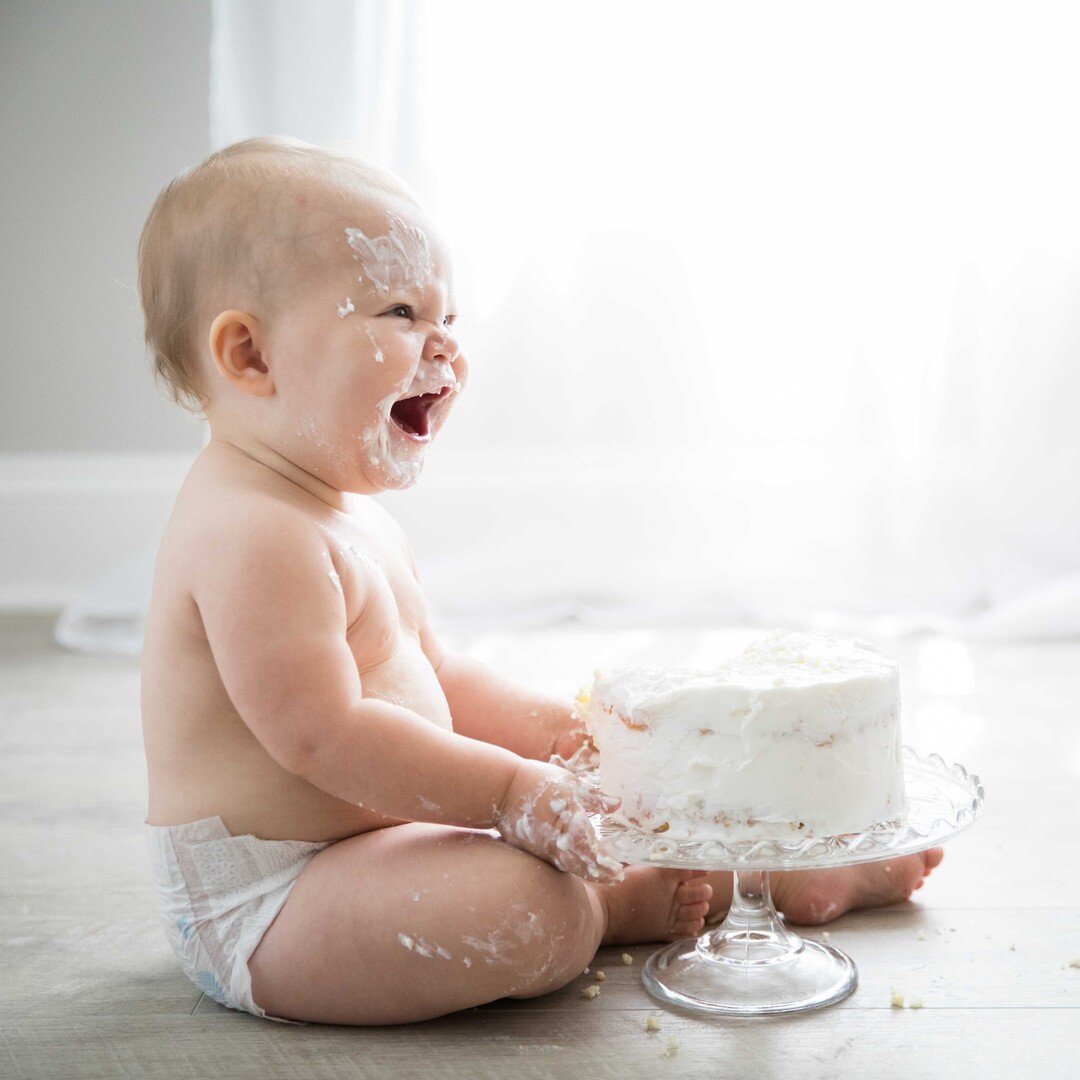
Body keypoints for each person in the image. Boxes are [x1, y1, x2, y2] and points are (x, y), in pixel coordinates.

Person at [139, 137, 942, 1025]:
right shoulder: (253, 535)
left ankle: (766, 872)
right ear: (250, 356)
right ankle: (623, 905)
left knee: (613, 812)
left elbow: (432, 679)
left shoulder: (344, 512)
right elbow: (325, 738)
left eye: (449, 318)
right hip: (273, 906)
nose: (443, 346)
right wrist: (512, 794)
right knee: (532, 906)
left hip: (378, 845)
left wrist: (565, 737)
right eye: (400, 310)